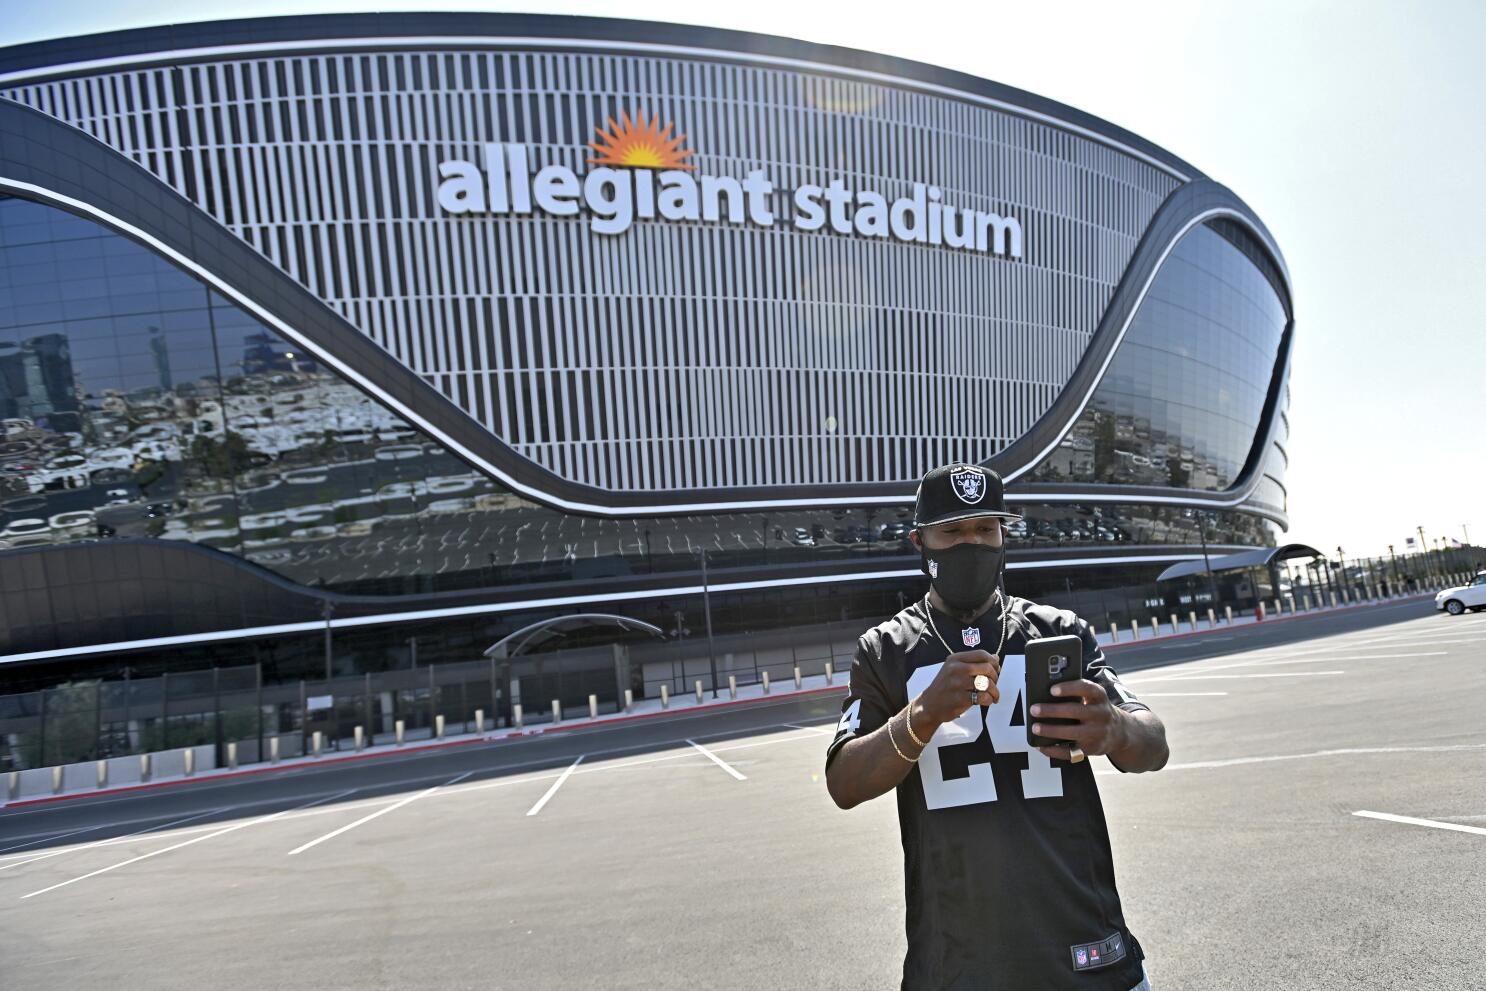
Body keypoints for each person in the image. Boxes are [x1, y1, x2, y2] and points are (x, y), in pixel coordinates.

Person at [825, 463, 1169, 991]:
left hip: (1085, 948)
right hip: (959, 962)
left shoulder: (1058, 631)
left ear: (1004, 535)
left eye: (986, 529)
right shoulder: (885, 651)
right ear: (921, 542)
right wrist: (923, 714)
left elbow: (1154, 743)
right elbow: (843, 783)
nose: (973, 545)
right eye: (953, 532)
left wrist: (1113, 728)